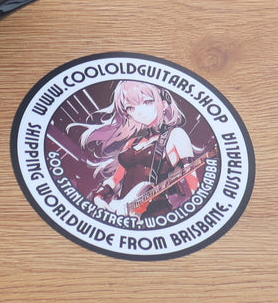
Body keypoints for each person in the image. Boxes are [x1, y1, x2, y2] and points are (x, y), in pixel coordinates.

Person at [74, 80, 202, 217]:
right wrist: (99, 196)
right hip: (124, 211)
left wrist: (199, 210)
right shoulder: (132, 142)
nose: (139, 112)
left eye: (147, 102)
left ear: (164, 104)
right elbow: (116, 179)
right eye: (130, 108)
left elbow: (191, 175)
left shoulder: (176, 135)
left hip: (155, 212)